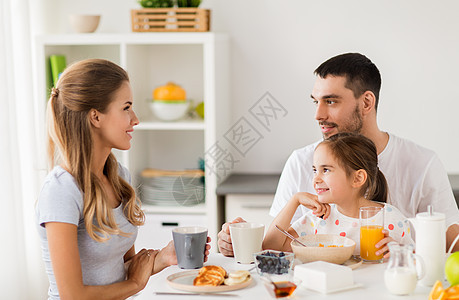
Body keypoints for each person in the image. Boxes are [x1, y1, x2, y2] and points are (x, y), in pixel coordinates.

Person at [218, 53, 459, 256]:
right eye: (316, 102)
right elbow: (275, 246)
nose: (318, 115)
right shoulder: (301, 161)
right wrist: (232, 243)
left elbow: (452, 247)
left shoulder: (422, 163)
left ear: (366, 103)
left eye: (331, 101)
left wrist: (403, 251)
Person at [35, 59, 210, 299]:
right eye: (126, 107)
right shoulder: (62, 190)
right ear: (95, 117)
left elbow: (123, 272)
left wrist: (165, 257)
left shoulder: (119, 179)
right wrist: (136, 285)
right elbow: (73, 296)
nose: (135, 119)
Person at [262, 133, 414, 257]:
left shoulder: (391, 219)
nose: (316, 179)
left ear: (357, 178)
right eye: (315, 170)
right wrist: (294, 200)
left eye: (326, 170)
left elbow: (415, 261)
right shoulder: (319, 219)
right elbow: (270, 247)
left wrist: (397, 252)